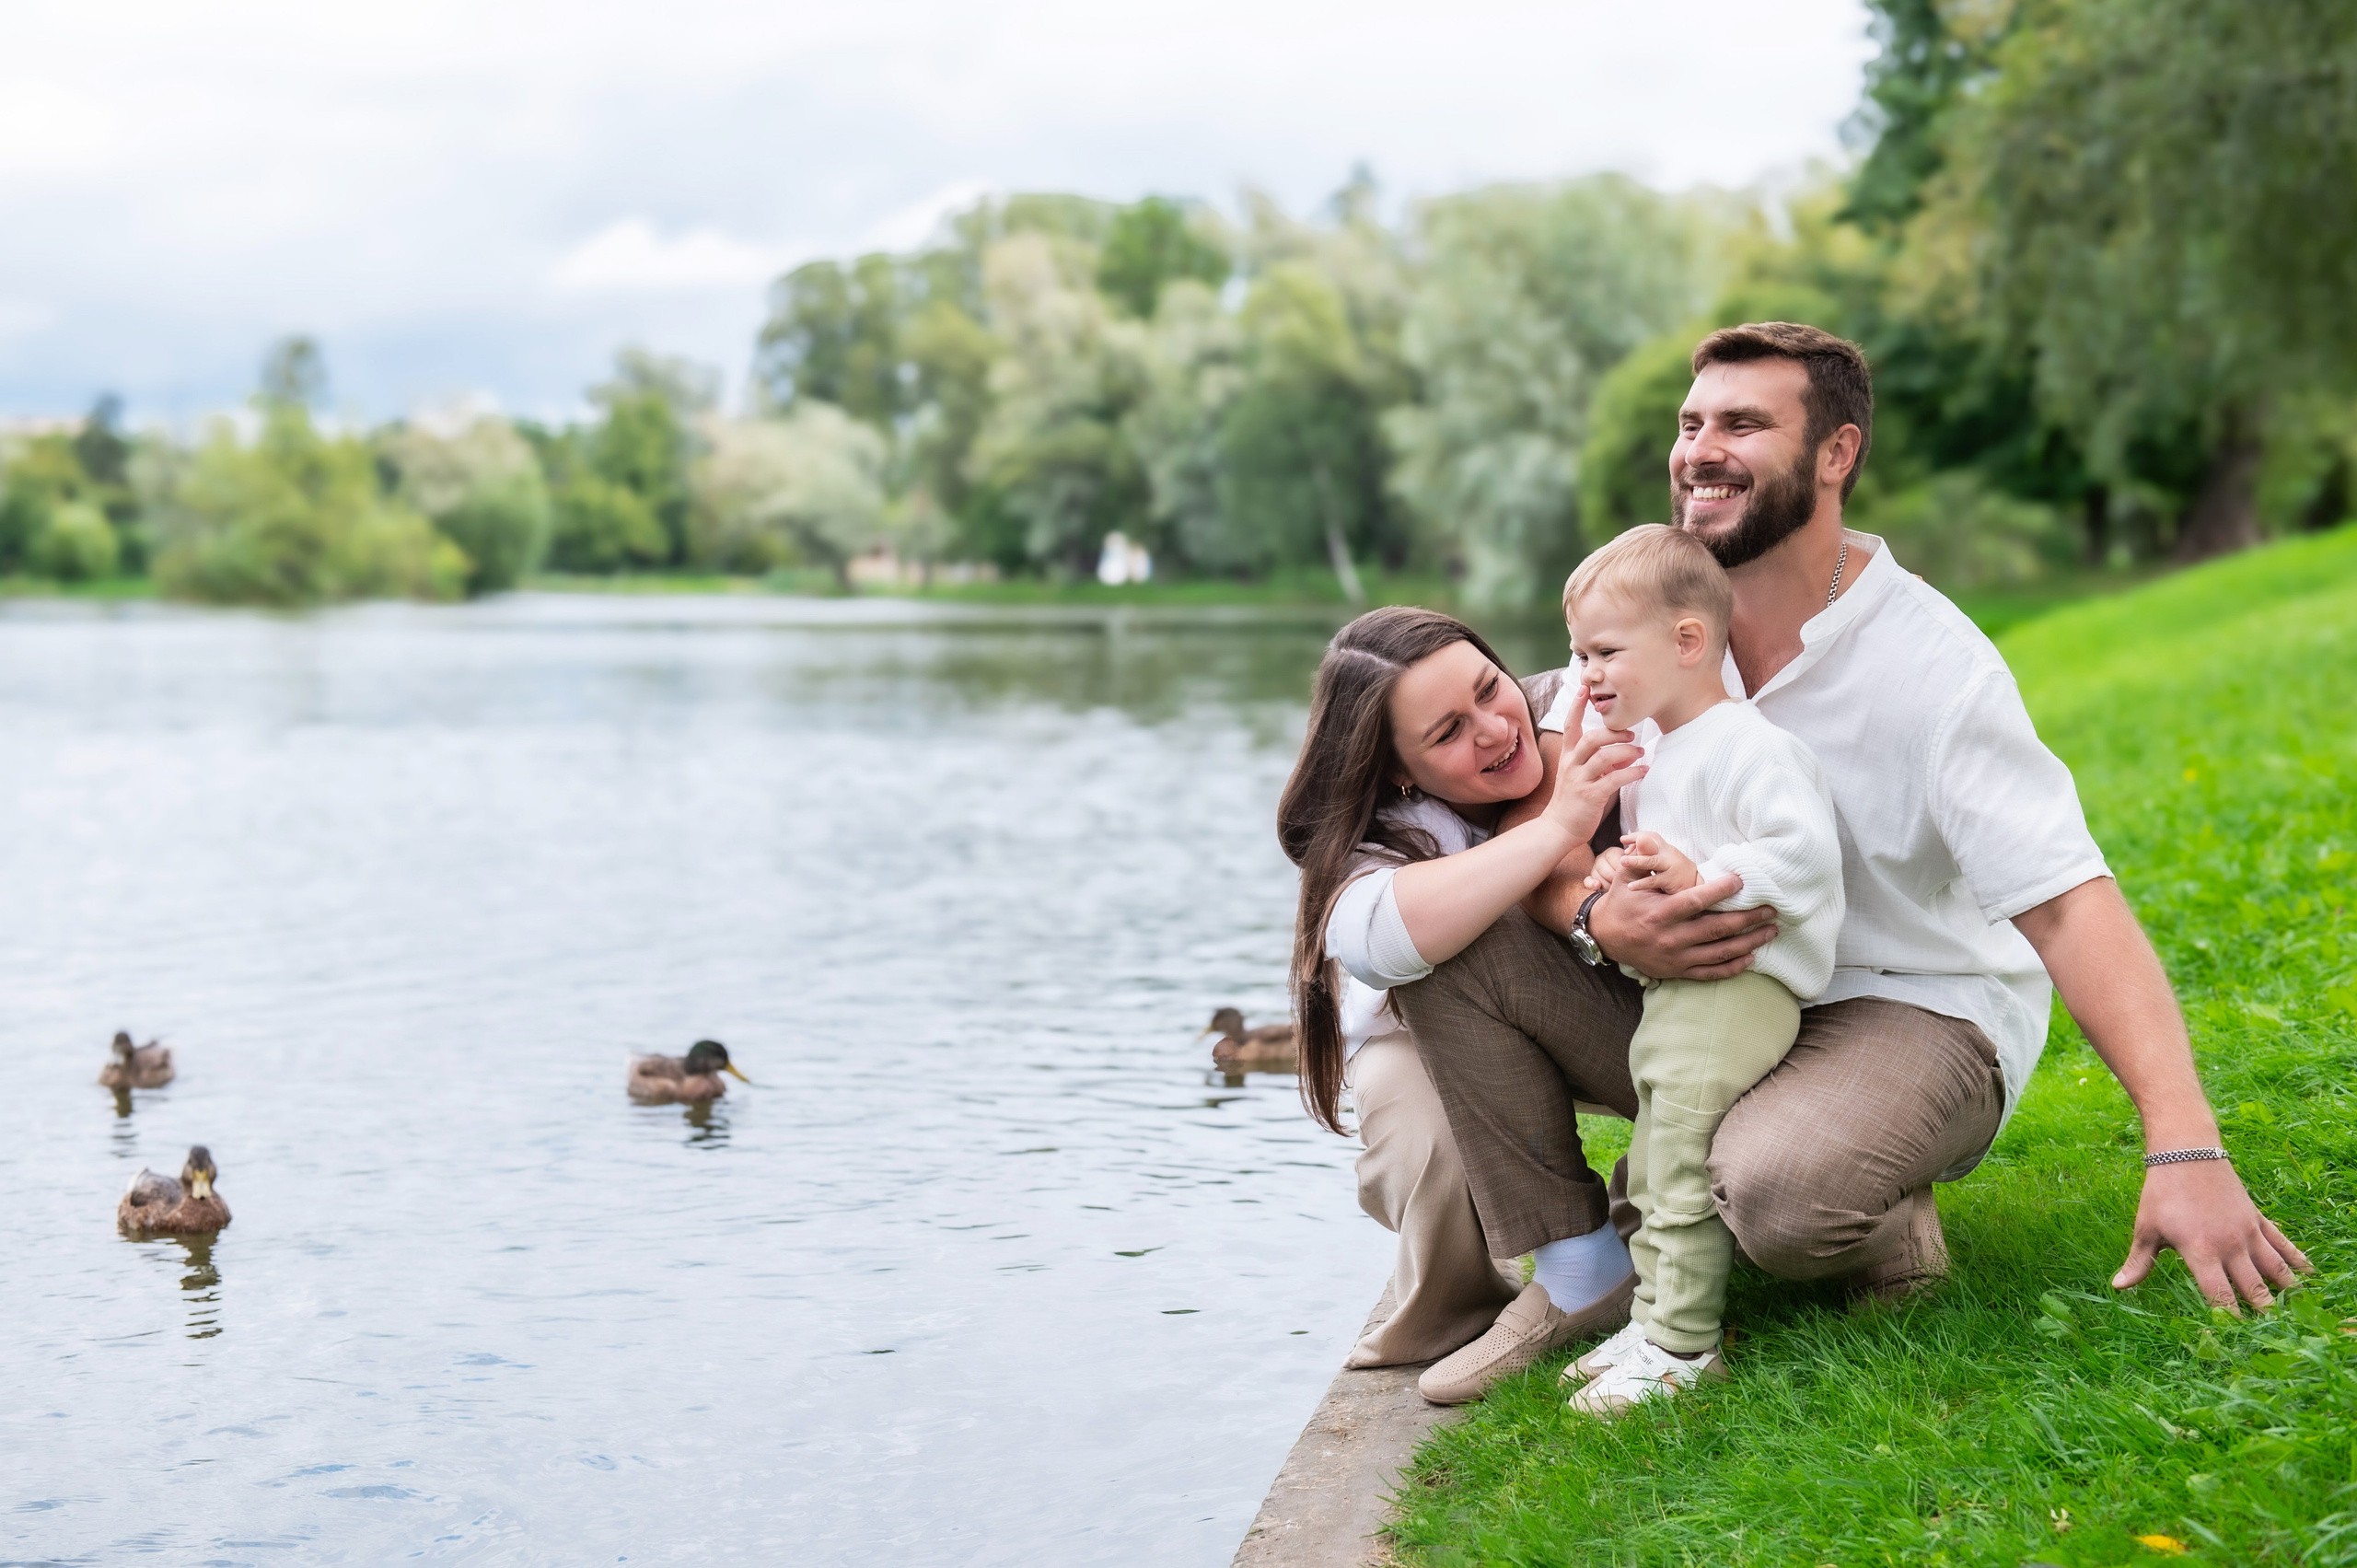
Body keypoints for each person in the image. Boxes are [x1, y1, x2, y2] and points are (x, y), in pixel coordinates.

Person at [1396, 321, 2310, 1406]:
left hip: (1908, 1003)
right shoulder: (1646, 622)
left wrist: (2183, 1145)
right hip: (1719, 985)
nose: (1700, 449)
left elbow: (2069, 902)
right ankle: (1578, 1270)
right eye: (1690, 423)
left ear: (1836, 454)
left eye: (1742, 423)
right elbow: (1536, 839)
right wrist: (1598, 914)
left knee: (1780, 1192)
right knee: (1451, 942)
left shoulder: (1934, 667)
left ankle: (1866, 1201)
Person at [1274, 609, 1649, 1376]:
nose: (1491, 729)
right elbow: (1379, 939)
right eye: (1447, 732)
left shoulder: (1583, 701)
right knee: (1420, 1123)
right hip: (1456, 1032)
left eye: (1490, 688)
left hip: (1643, 1010)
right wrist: (1555, 829)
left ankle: (1636, 1232)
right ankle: (1483, 1294)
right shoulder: (1388, 832)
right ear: (1399, 771)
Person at [1547, 525, 1843, 1416]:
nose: (1585, 674)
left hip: (1743, 983)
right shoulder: (1663, 750)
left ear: (1685, 640)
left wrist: (1706, 879)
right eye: (1576, 654)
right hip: (1688, 990)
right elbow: (1674, 853)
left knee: (1675, 1148)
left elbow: (1803, 855)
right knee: (1651, 1150)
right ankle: (1651, 1319)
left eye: (1602, 652)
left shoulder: (1750, 744)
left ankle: (1682, 1344)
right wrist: (1619, 872)